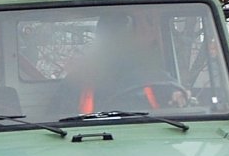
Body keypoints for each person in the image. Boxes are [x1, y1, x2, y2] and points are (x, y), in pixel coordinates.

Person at [55, 7, 188, 116]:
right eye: (147, 25)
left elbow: (178, 107)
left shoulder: (159, 80)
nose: (153, 34)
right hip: (91, 143)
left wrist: (180, 96)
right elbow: (59, 126)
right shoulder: (78, 81)